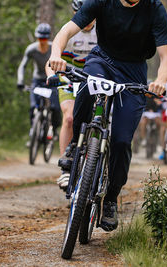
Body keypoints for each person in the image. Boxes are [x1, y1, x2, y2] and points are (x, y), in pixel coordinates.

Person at [48, 0, 167, 231]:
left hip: (134, 71)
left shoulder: (154, 8)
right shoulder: (102, 1)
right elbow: (66, 30)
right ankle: (76, 143)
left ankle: (110, 199)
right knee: (88, 86)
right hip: (102, 60)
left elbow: (166, 58)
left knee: (121, 141)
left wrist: (160, 81)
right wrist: (56, 54)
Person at [45, 0, 97, 191]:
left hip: (94, 83)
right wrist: (51, 75)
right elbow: (51, 60)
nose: (87, 21)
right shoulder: (68, 31)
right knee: (69, 118)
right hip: (70, 82)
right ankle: (66, 169)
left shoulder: (103, 32)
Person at [17, 23, 61, 143]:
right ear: (37, 37)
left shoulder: (54, 48)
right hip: (37, 80)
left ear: (48, 38)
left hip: (51, 79)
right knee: (33, 107)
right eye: (40, 38)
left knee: (55, 108)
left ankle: (55, 130)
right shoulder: (31, 49)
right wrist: (20, 80)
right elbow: (22, 66)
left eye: (45, 38)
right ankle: (33, 131)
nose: (42, 41)